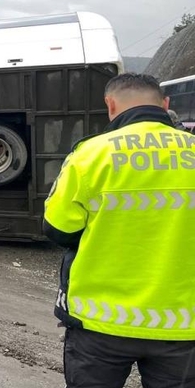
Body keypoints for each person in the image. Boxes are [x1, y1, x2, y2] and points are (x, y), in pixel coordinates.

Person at [44, 73, 195, 387]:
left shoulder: (89, 155)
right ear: (165, 105)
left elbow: (58, 228)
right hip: (185, 325)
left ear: (110, 105)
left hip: (100, 324)